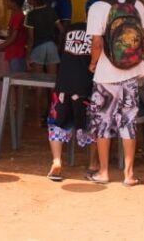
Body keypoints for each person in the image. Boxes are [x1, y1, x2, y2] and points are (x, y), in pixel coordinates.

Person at [86, 0, 144, 186]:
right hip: (130, 73)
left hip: (105, 75)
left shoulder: (98, 8)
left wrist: (93, 64)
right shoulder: (137, 6)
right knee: (128, 122)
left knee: (103, 122)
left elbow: (96, 42)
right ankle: (129, 174)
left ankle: (104, 172)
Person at [47, 15, 96, 181]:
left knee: (56, 123)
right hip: (85, 85)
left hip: (63, 83)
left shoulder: (70, 29)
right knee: (92, 124)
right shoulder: (98, 33)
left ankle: (56, 161)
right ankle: (93, 164)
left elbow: (62, 52)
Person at [25, 0, 61, 76]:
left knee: (38, 81)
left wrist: (28, 56)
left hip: (38, 47)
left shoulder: (31, 15)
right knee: (52, 80)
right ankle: (53, 91)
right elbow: (61, 29)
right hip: (52, 46)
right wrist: (59, 44)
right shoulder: (51, 11)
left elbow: (31, 38)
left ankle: (39, 91)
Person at [0, 0, 29, 73]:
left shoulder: (18, 17)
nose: (6, 2)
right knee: (18, 79)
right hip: (16, 51)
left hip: (16, 53)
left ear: (14, 3)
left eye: (8, 0)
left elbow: (13, 38)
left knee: (17, 79)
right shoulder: (17, 15)